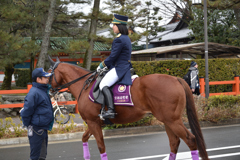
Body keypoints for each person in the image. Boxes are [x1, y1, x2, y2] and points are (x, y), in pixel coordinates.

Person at [97, 14, 132, 119]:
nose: (113, 27)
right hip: (124, 66)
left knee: (103, 84)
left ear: (120, 26)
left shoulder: (119, 39)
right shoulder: (126, 38)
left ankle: (111, 111)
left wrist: (102, 65)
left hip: (119, 68)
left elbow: (113, 57)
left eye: (114, 25)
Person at [20, 68, 54, 160]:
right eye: (45, 77)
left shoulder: (42, 90)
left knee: (42, 156)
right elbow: (26, 111)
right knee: (36, 156)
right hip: (36, 129)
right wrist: (29, 125)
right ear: (38, 79)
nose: (47, 79)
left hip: (42, 128)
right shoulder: (34, 92)